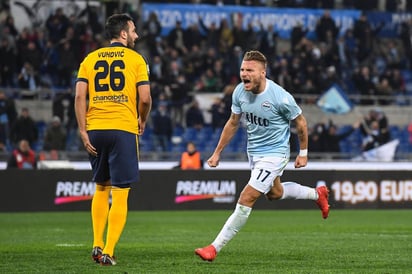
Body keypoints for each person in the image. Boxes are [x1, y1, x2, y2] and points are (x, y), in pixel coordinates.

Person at [194, 50, 329, 262]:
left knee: (247, 197)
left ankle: (214, 248)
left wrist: (303, 153)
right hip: (255, 153)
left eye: (249, 70)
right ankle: (317, 194)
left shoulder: (280, 97)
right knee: (275, 193)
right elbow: (233, 122)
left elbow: (301, 122)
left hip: (276, 154)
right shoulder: (239, 92)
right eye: (242, 69)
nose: (244, 74)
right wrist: (217, 152)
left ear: (263, 73)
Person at [74, 13, 152, 266]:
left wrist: (83, 130)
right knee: (120, 193)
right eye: (133, 30)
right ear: (123, 34)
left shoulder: (90, 58)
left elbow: (79, 98)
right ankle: (108, 250)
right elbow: (146, 98)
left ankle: (96, 244)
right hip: (122, 129)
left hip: (95, 129)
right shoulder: (136, 59)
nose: (136, 35)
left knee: (100, 187)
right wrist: (143, 119)